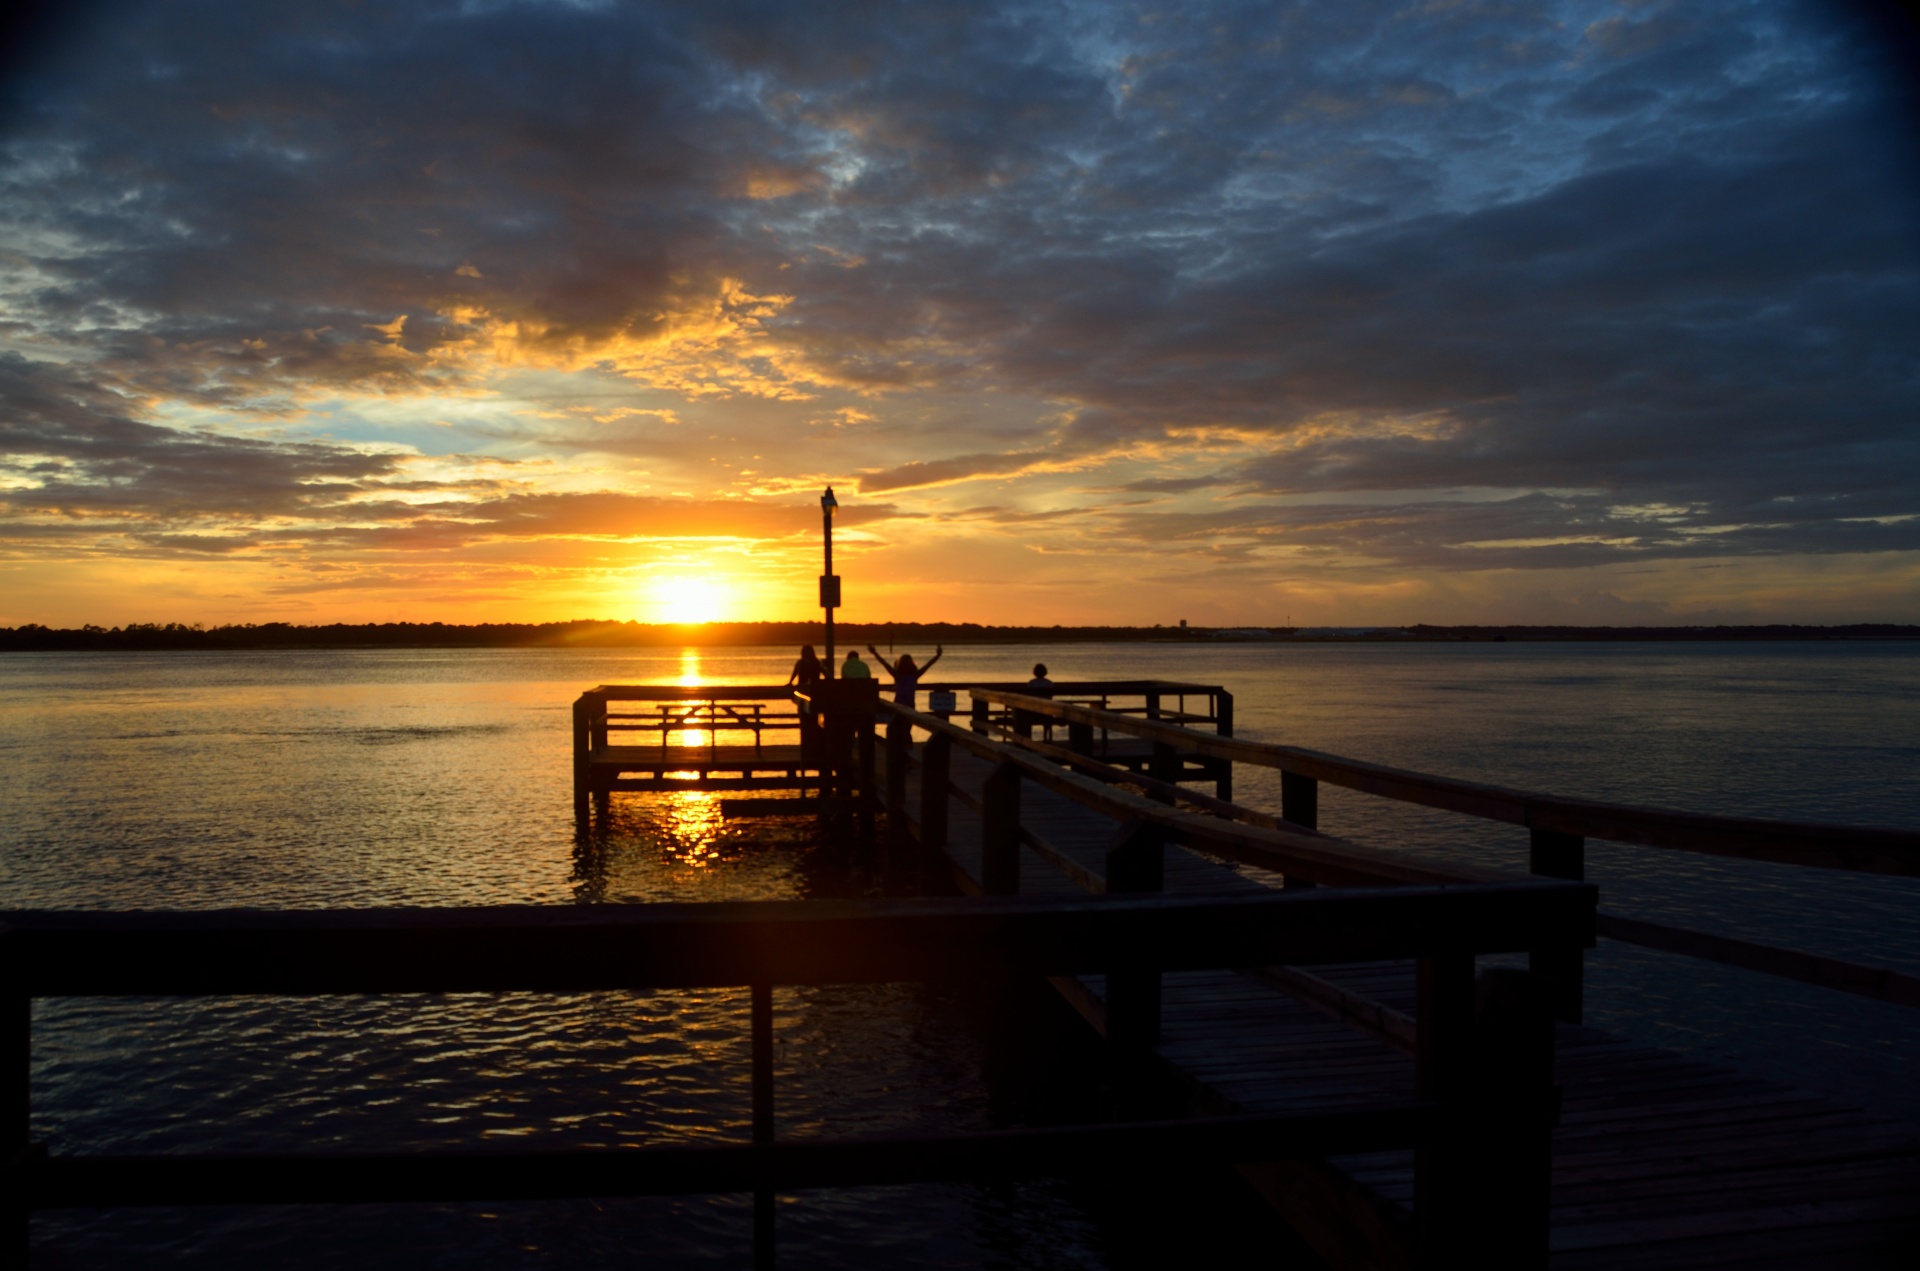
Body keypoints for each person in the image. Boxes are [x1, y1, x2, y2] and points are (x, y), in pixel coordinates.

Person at [867, 642, 943, 707]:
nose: (907, 666)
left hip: (910, 707)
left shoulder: (914, 675)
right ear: (901, 665)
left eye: (908, 664)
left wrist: (937, 656)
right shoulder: (897, 675)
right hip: (899, 707)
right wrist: (874, 653)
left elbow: (928, 665)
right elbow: (884, 663)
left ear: (911, 665)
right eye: (905, 664)